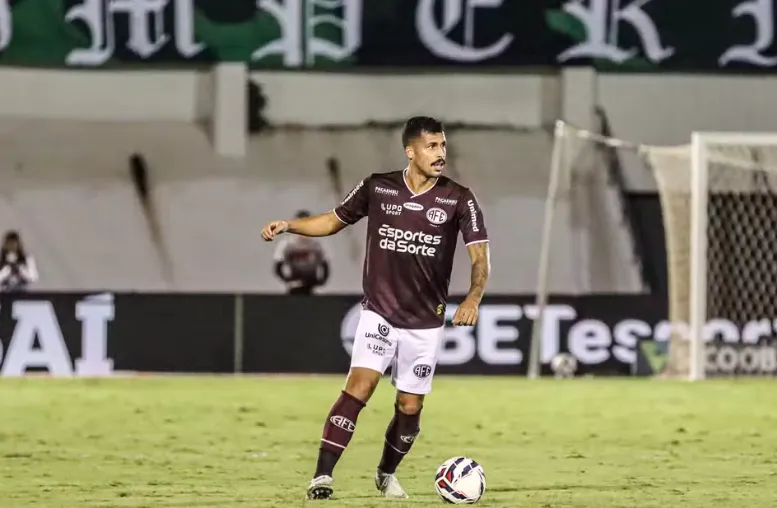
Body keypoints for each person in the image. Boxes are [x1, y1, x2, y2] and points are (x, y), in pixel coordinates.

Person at [261, 116, 490, 501]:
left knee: (409, 404)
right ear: (410, 151)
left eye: (443, 146)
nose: (440, 154)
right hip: (379, 312)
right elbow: (333, 221)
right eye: (432, 147)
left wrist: (472, 298)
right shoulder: (378, 187)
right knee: (360, 386)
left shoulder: (458, 197)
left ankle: (385, 473)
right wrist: (289, 225)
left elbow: (480, 258)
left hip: (425, 323)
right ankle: (322, 477)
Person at [273, 210, 330, 295]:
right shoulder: (287, 244)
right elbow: (278, 266)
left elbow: (325, 265)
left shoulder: (317, 245)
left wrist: (321, 281)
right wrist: (287, 280)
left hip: (311, 285)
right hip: (294, 285)